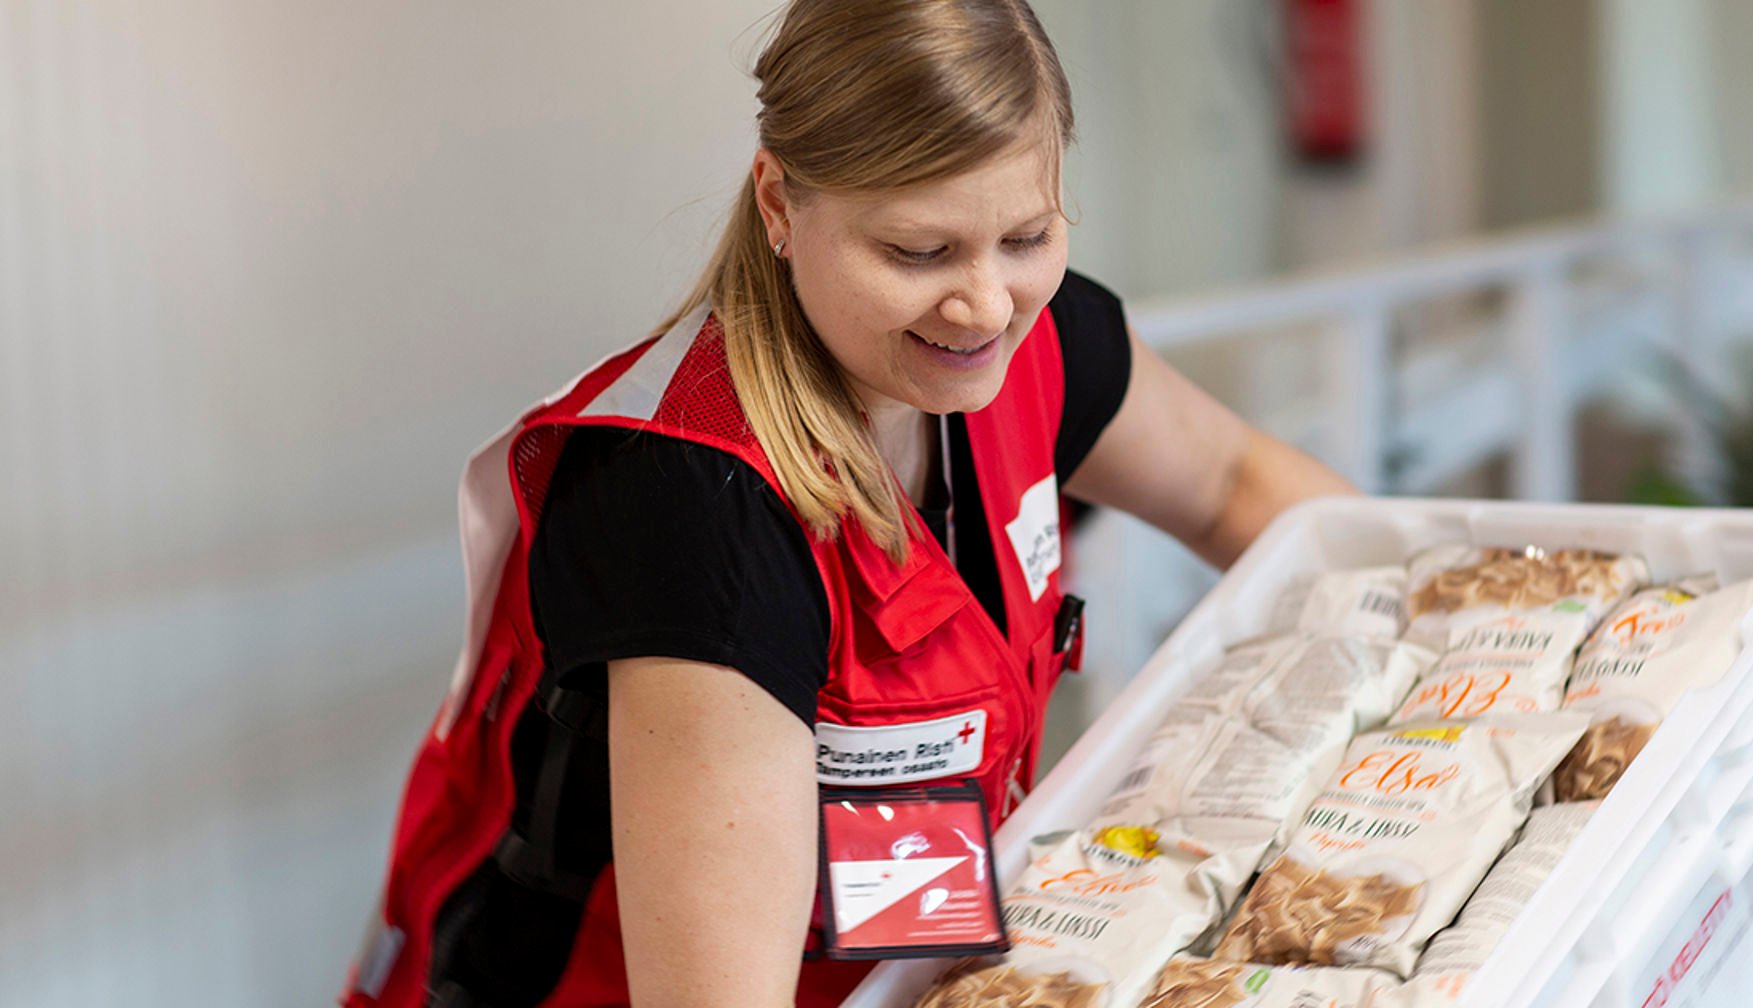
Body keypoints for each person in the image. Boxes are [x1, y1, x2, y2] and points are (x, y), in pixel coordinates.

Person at [340, 1, 1354, 1005]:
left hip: (903, 958)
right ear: (779, 205)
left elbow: (1237, 488)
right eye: (919, 253)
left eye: (1027, 235)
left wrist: (1471, 626)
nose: (987, 307)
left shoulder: (1031, 347)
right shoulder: (698, 514)